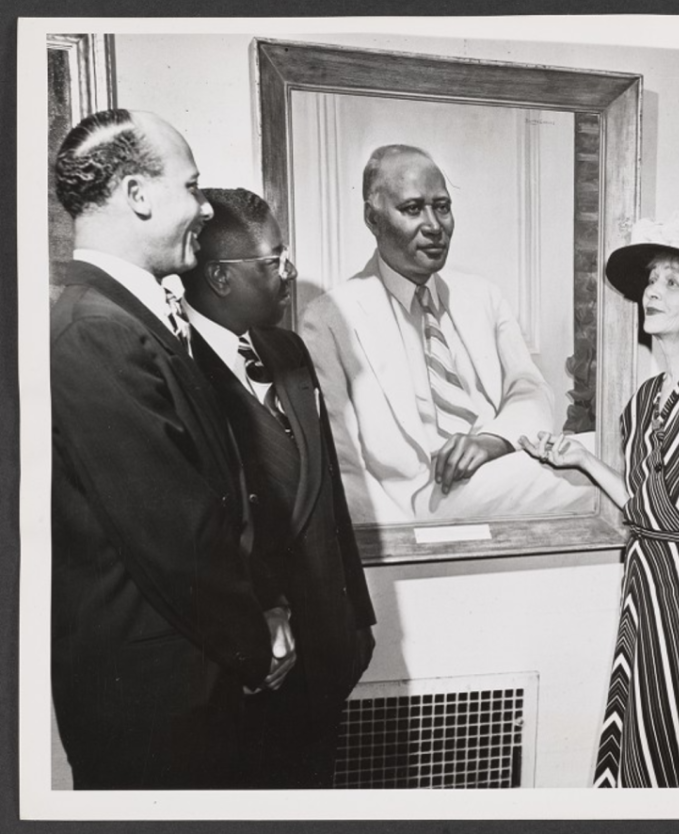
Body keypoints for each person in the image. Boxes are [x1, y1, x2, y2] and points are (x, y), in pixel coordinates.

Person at [50, 110, 290, 788]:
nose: (205, 205)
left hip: (186, 680)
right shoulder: (94, 333)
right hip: (155, 706)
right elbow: (175, 534)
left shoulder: (127, 319)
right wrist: (257, 641)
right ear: (138, 195)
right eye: (192, 186)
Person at [523, 213, 679, 787]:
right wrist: (583, 461)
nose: (652, 292)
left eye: (673, 282)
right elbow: (644, 506)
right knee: (638, 737)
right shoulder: (643, 401)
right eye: (651, 281)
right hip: (645, 586)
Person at [180, 188, 377, 788]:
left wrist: (356, 621)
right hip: (257, 660)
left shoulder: (287, 349)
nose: (289, 273)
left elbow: (329, 498)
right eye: (273, 261)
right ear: (219, 276)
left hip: (326, 644)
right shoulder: (177, 366)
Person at [300, 144, 590, 523]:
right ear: (373, 218)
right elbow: (343, 461)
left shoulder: (482, 295)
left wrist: (493, 441)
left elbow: (530, 389)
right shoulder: (328, 317)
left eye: (442, 206)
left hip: (499, 471)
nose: (434, 226)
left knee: (611, 453)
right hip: (417, 501)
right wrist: (400, 551)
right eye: (412, 209)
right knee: (605, 460)